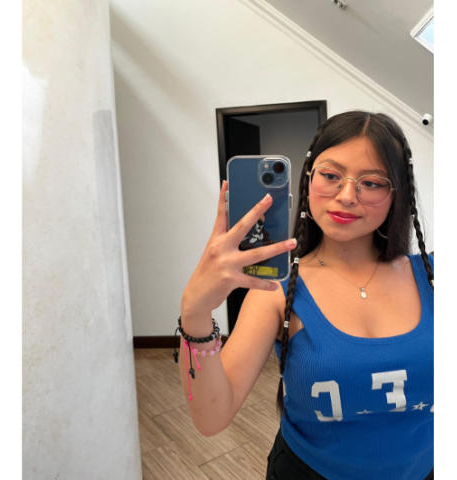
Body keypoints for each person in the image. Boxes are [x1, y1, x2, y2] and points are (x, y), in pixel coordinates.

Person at [176, 111, 434, 479]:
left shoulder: (432, 276)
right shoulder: (276, 291)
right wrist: (195, 311)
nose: (347, 196)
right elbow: (211, 418)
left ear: (396, 194)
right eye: (331, 176)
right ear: (309, 178)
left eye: (372, 182)